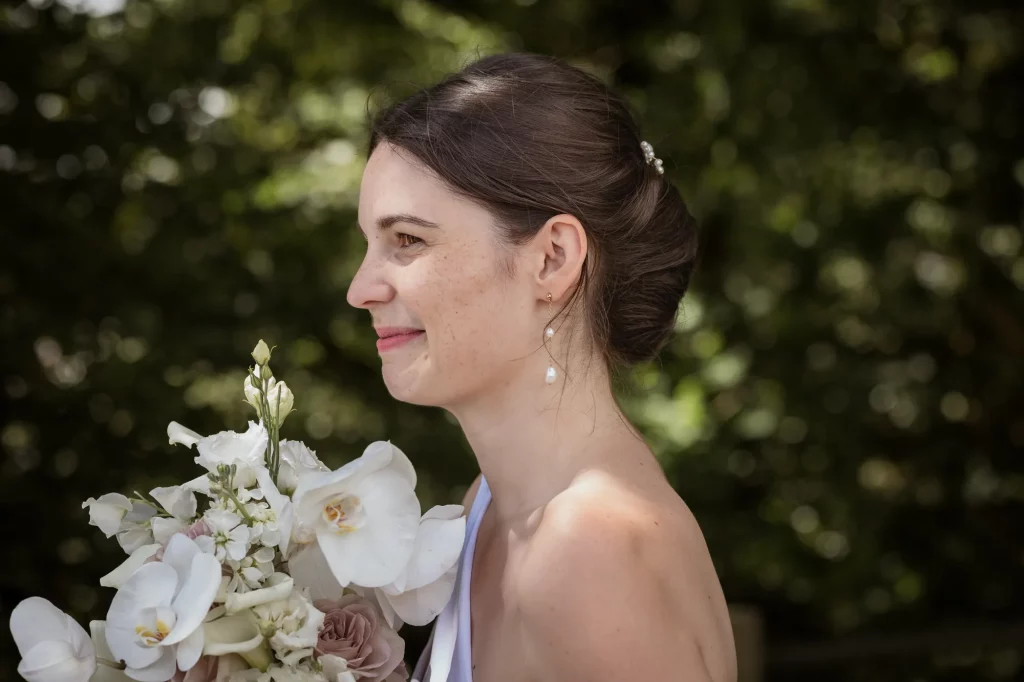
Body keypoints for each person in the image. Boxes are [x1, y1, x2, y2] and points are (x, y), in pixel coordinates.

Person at [346, 52, 737, 682]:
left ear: (552, 258)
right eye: (369, 244)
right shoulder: (490, 505)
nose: (360, 290)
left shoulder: (588, 552)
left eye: (408, 240)